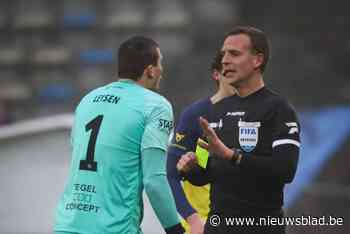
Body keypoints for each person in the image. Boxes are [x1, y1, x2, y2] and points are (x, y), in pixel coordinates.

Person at [54, 36, 184, 234]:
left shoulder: (87, 100)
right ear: (150, 70)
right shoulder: (156, 106)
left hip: (67, 225)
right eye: (160, 63)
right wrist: (176, 230)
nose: (162, 70)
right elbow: (154, 180)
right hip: (114, 228)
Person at [177, 26, 300, 234]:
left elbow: (286, 170)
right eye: (223, 54)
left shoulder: (279, 109)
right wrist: (191, 169)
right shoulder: (215, 111)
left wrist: (232, 156)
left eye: (234, 53)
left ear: (257, 60)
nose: (225, 60)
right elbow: (205, 175)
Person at [167, 51, 236, 234]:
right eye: (228, 70)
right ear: (216, 74)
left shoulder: (260, 114)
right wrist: (193, 218)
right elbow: (170, 174)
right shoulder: (196, 115)